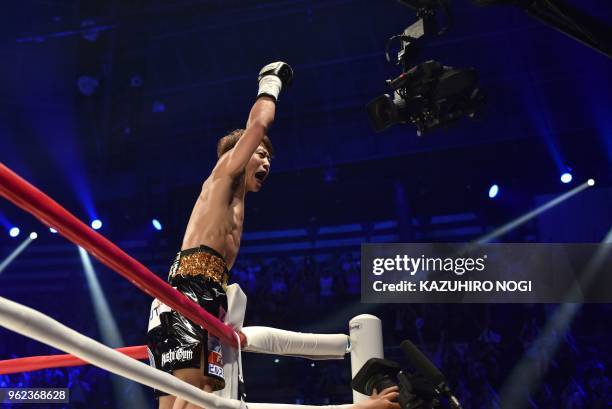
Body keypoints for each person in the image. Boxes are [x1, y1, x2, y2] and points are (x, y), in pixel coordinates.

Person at [146, 62, 400, 409]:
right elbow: (259, 123)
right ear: (241, 153)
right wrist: (271, 83)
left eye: (269, 158)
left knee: (193, 397)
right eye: (261, 154)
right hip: (192, 290)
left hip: (195, 292)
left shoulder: (232, 196)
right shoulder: (225, 173)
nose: (266, 163)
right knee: (200, 392)